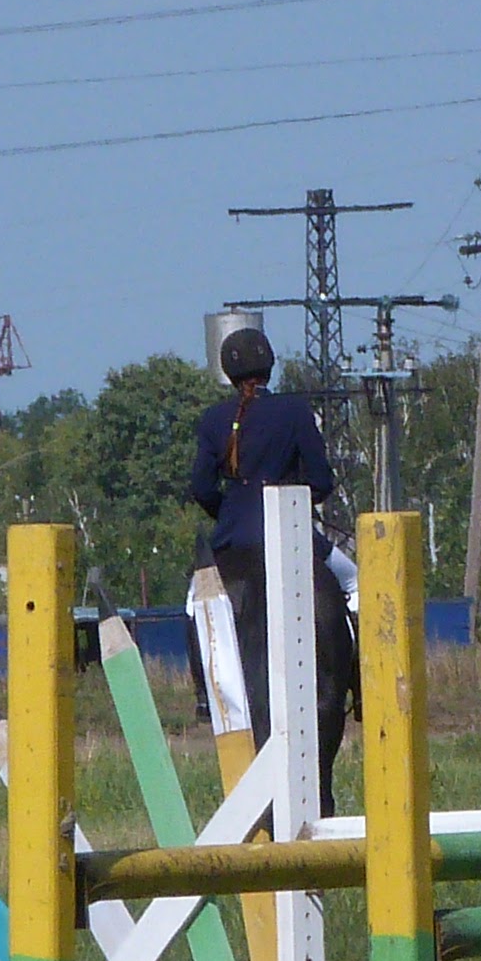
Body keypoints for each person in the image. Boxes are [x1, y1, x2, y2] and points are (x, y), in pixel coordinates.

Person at [185, 324, 355, 802]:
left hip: (234, 536)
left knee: (194, 606)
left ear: (228, 372)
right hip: (293, 532)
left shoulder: (214, 419)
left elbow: (201, 487)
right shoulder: (294, 411)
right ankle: (362, 682)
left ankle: (204, 694)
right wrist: (297, 496)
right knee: (354, 584)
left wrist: (230, 513)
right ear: (270, 367)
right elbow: (321, 479)